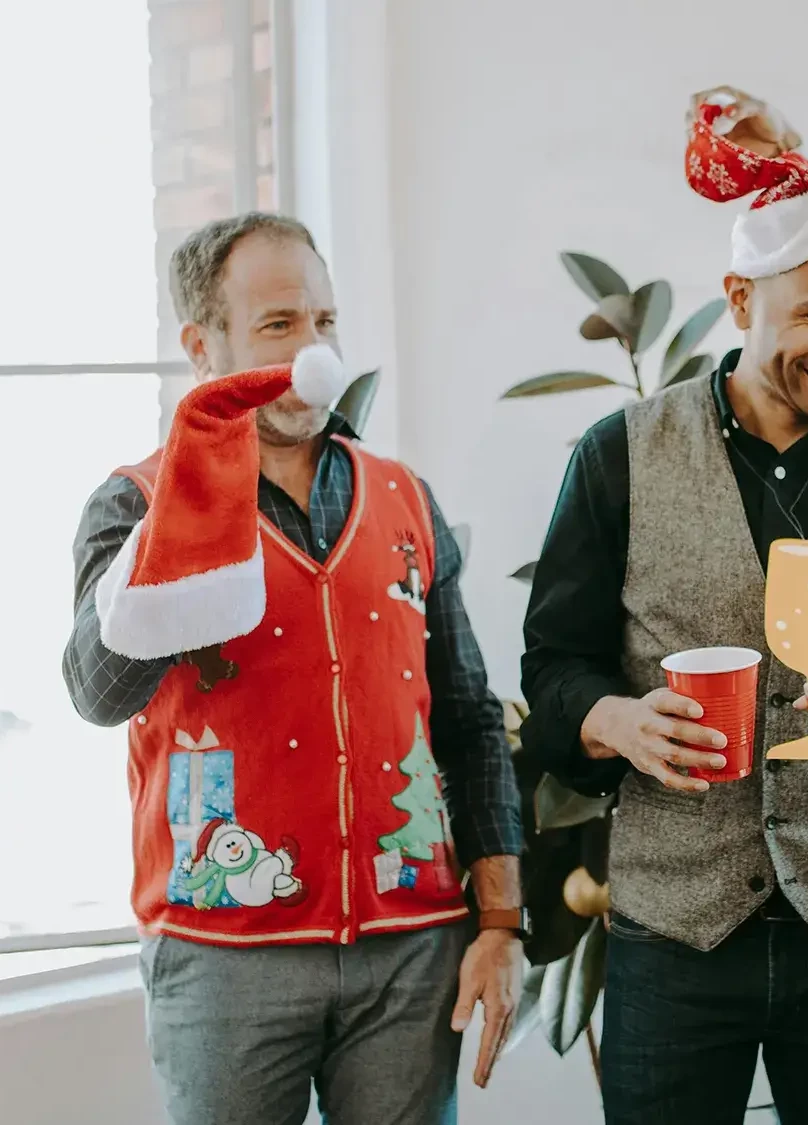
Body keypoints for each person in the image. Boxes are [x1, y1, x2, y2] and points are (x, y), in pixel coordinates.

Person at [519, 94, 808, 1124]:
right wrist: (615, 721)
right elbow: (550, 668)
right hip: (673, 938)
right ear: (739, 299)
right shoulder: (617, 456)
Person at [62, 212, 525, 1125]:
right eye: (279, 325)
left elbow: (469, 717)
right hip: (224, 953)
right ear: (203, 344)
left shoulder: (405, 498)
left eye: (324, 321)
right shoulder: (135, 504)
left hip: (410, 946)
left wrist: (502, 919)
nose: (314, 348)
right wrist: (183, 514)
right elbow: (94, 692)